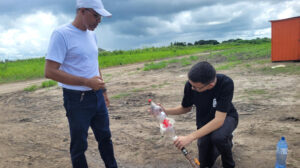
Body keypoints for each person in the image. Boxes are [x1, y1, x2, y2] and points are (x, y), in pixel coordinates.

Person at [44, 0, 118, 167]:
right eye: (96, 16)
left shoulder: (92, 35)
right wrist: (86, 82)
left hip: (97, 96)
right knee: (79, 144)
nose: (99, 21)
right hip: (77, 99)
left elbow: (94, 64)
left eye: (101, 17)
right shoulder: (61, 34)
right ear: (82, 11)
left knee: (105, 137)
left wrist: (103, 91)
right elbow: (50, 71)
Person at [160, 61, 238, 168]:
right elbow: (186, 108)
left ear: (210, 85)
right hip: (204, 121)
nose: (192, 88)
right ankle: (226, 144)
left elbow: (219, 120)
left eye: (196, 87)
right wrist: (165, 111)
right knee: (205, 163)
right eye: (191, 84)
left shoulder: (225, 83)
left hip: (227, 118)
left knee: (218, 137)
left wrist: (190, 137)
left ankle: (229, 164)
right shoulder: (190, 85)